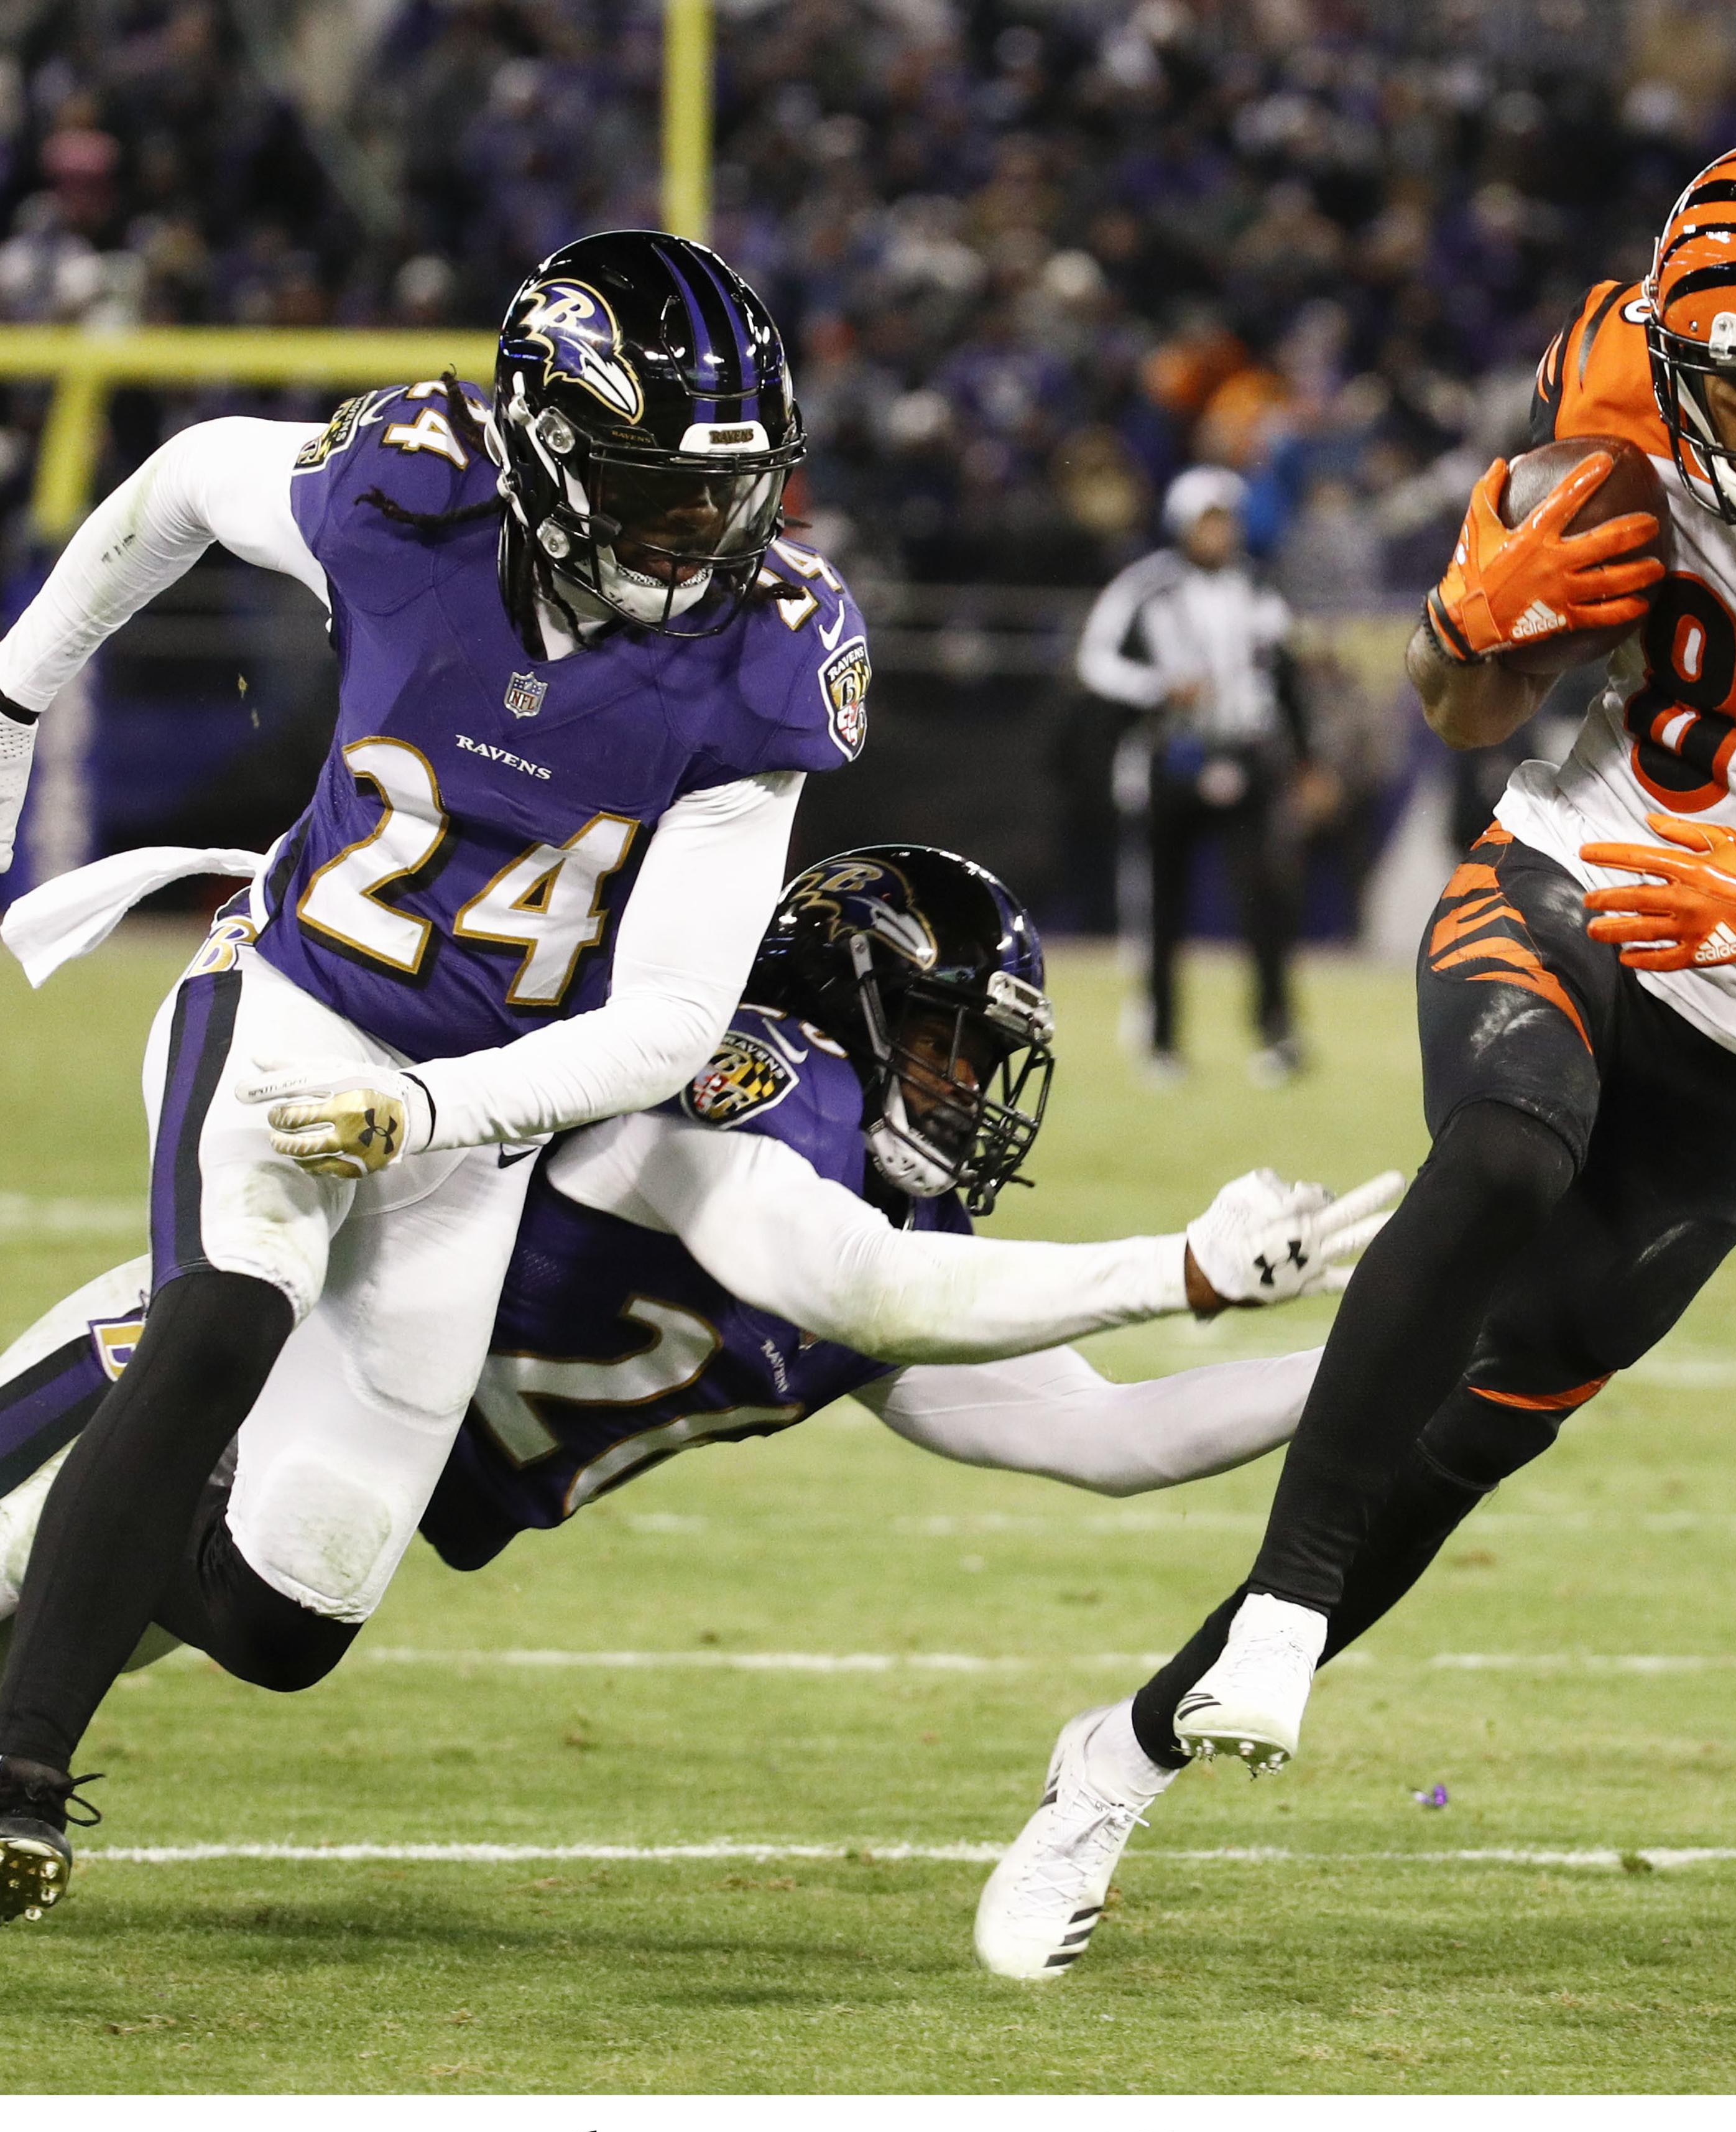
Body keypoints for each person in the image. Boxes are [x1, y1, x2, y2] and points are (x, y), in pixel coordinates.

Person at [974, 134, 1736, 1981]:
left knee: (1462, 1441)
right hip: (1571, 874)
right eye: (1734, 375)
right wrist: (1466, 619)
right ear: (1671, 350)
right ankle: (1273, 1612)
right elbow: (1465, 701)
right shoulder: (1604, 373)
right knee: (1508, 1143)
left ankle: (1111, 1759)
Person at [0, 845, 1395, 1911]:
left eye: (982, 1062)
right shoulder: (734, 1091)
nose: (966, 1091)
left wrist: (1384, 1362)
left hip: (299, 1502)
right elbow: (842, 1278)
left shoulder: (884, 1229)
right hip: (180, 1398)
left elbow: (1105, 1432)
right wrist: (1185, 1271)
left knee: (228, 1635)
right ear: (847, 998)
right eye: (943, 1042)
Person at [0, 229, 866, 1920]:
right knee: (229, 1318)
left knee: (285, 1616)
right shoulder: (407, 495)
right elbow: (184, 479)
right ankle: (19, 1775)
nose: (708, 531)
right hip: (297, 999)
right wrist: (18, 685)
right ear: (547, 453)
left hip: (484, 1107)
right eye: (658, 491)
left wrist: (435, 1114)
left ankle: (79, 1452)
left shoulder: (768, 652)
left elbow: (675, 1017)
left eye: (730, 491)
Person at [1076, 464, 1308, 1083]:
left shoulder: (1259, 587)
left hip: (1247, 752)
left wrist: (1304, 757)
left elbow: (1287, 673)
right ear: (1182, 524)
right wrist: (1156, 689)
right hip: (1170, 759)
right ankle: (1161, 1041)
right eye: (1208, 520)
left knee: (1264, 903)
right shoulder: (1146, 587)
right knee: (1161, 909)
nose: (1219, 532)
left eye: (1226, 520)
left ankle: (1276, 1034)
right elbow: (1096, 661)